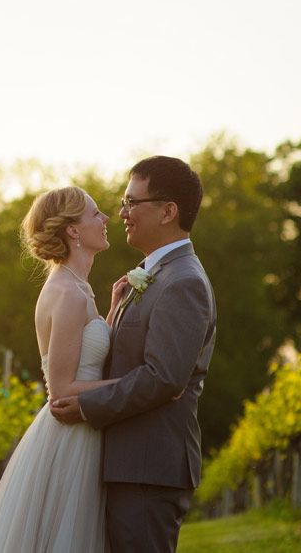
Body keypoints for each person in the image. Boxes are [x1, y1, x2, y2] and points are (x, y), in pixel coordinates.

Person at [50, 156, 216, 553]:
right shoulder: (153, 275)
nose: (121, 213)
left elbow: (163, 379)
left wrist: (87, 403)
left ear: (167, 211)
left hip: (147, 467)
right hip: (127, 463)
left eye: (131, 202)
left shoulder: (183, 282)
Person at [0, 185, 124, 553]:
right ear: (72, 230)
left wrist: (113, 311)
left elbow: (86, 354)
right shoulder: (67, 293)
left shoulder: (78, 287)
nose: (105, 219)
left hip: (87, 427)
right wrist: (138, 383)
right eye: (94, 213)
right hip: (72, 436)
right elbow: (62, 389)